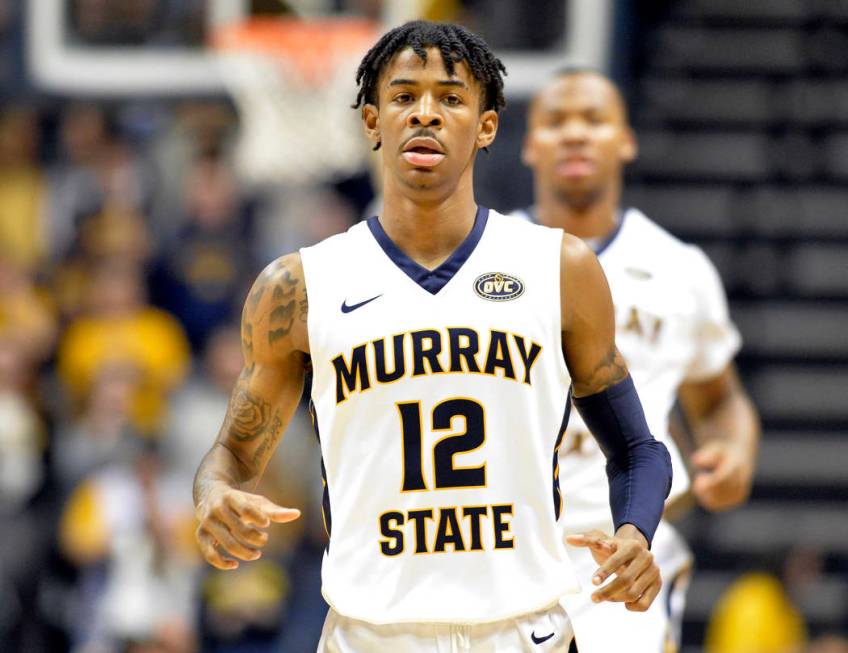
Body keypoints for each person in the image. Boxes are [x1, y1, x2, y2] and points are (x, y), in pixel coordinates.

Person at [193, 21, 672, 651]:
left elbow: (637, 449)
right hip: (371, 634)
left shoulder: (559, 268)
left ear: (487, 127)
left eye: (450, 98)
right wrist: (214, 495)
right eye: (403, 96)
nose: (426, 113)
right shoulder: (299, 286)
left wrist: (636, 531)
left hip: (525, 632)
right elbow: (230, 456)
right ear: (371, 122)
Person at [516, 69, 761, 652]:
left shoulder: (680, 268)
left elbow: (719, 397)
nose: (575, 134)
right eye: (555, 123)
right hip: (506, 543)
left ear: (625, 140)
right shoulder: (487, 260)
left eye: (593, 120)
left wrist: (734, 452)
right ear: (528, 145)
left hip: (625, 548)